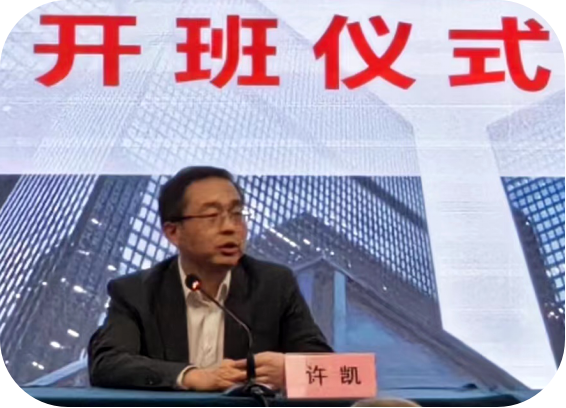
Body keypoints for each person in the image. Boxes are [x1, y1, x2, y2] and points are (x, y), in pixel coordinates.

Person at [88, 166, 333, 391]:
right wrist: (192, 376)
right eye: (212, 216)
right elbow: (107, 363)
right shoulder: (136, 292)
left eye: (237, 214)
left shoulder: (274, 284)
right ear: (173, 232)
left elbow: (329, 369)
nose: (230, 227)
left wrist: (291, 372)